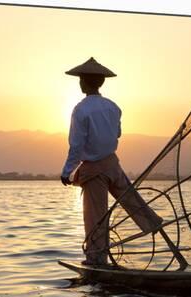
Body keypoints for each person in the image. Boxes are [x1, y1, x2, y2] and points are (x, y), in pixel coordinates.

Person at [60, 57, 164, 266]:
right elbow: (116, 134)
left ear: (85, 82)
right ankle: (155, 226)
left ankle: (96, 260)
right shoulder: (113, 107)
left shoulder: (81, 110)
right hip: (113, 165)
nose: (80, 83)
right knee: (134, 203)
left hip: (94, 169)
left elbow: (76, 144)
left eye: (82, 80)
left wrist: (67, 171)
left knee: (96, 216)